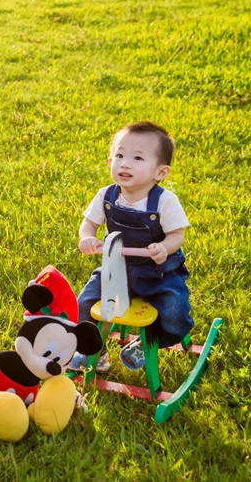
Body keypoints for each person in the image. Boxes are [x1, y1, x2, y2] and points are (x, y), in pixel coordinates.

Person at [69, 121, 193, 372]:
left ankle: (150, 341)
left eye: (137, 158)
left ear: (160, 172)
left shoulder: (165, 201)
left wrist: (164, 247)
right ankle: (94, 349)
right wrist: (87, 237)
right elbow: (89, 223)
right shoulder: (106, 195)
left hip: (158, 273)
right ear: (110, 162)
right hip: (117, 269)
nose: (125, 163)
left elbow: (176, 235)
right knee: (83, 303)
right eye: (120, 155)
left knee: (174, 309)